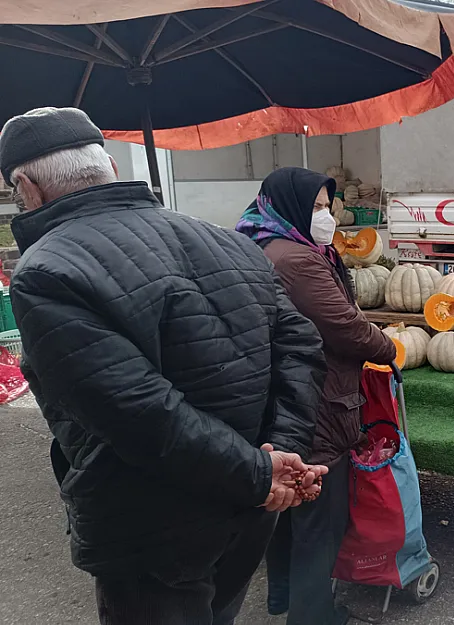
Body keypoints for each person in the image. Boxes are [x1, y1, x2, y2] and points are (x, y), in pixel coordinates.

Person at [0, 107, 329, 625]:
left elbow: (136, 411)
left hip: (149, 527)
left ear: (27, 188)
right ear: (108, 164)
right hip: (248, 511)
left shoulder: (46, 271)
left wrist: (261, 473)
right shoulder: (230, 241)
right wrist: (279, 451)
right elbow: (301, 346)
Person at [237, 167, 397, 625]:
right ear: (291, 207)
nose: (328, 218)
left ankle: (284, 596)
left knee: (282, 508)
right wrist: (386, 347)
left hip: (275, 395)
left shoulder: (257, 241)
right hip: (317, 399)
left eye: (329, 207)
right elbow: (342, 326)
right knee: (317, 514)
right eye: (319, 208)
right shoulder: (297, 260)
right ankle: (313, 614)